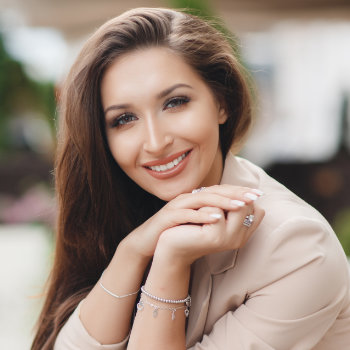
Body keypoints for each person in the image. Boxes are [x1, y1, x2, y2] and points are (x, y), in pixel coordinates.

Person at [31, 7, 350, 350]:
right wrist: (134, 249)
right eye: (124, 119)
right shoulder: (128, 211)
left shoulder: (297, 248)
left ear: (222, 103)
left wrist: (170, 260)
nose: (155, 143)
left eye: (175, 102)